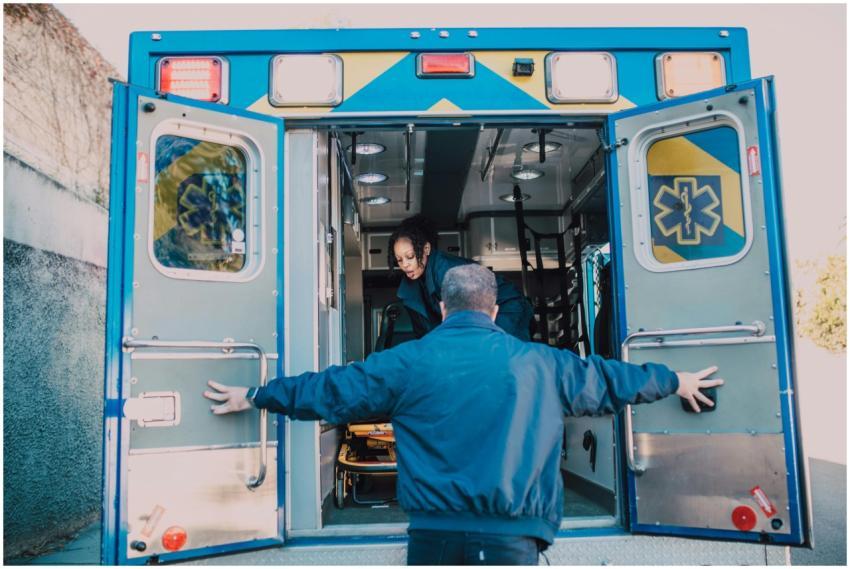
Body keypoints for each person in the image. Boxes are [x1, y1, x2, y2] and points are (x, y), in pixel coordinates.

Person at [204, 263, 723, 566]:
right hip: (514, 540)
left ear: (443, 309)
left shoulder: (408, 362)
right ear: (494, 310)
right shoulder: (542, 363)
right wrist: (677, 380)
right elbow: (611, 380)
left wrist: (257, 394)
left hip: (432, 538)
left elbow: (332, 390)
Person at [389, 214, 534, 341]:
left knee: (500, 358)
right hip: (478, 318)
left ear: (426, 249)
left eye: (410, 257)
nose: (405, 265)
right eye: (399, 260)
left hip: (506, 306)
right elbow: (425, 334)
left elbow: (467, 320)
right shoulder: (411, 288)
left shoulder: (447, 271)